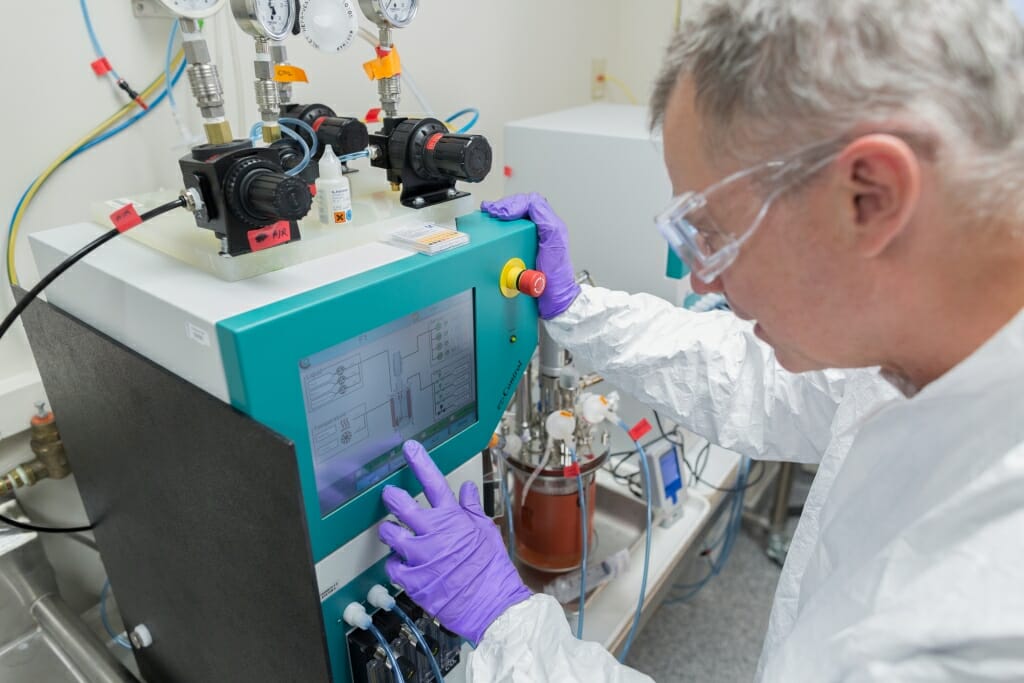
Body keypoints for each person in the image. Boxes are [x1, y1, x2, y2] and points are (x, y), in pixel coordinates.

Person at [378, 0, 1024, 679]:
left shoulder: (982, 611)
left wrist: (508, 626)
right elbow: (763, 382)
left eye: (710, 230)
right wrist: (575, 306)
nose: (698, 276)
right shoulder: (933, 349)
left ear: (872, 197)